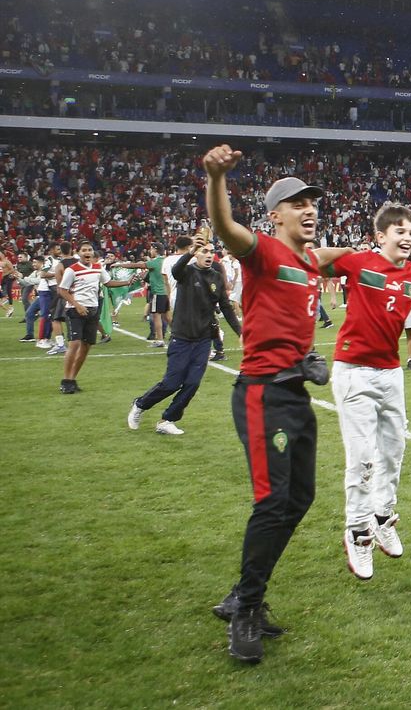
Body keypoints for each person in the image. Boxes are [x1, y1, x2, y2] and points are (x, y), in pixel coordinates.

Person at [202, 144, 350, 665]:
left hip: (294, 393)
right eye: (298, 203)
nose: (310, 209)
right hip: (263, 392)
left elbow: (332, 258)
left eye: (314, 203)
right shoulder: (262, 249)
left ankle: (246, 594)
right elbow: (224, 227)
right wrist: (215, 179)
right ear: (275, 216)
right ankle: (245, 607)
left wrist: (386, 256)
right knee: (272, 501)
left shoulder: (310, 259)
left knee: (300, 497)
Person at [329, 204, 411, 580]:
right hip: (354, 371)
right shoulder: (358, 263)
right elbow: (314, 267)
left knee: (394, 449)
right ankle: (357, 531)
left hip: (390, 372)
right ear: (381, 236)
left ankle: (383, 517)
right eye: (400, 231)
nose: (408, 237)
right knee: (363, 455)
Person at [127, 227, 241, 435]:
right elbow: (175, 270)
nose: (208, 255)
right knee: (172, 382)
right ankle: (141, 404)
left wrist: (241, 333)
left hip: (204, 338)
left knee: (192, 383)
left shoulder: (216, 277)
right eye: (203, 251)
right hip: (182, 337)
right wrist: (190, 251)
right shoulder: (186, 272)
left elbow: (225, 307)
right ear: (195, 253)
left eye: (210, 252)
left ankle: (167, 420)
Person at [55, 242, 115, 394]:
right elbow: (62, 290)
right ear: (78, 253)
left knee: (86, 346)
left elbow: (108, 282)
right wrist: (76, 305)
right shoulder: (72, 270)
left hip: (92, 310)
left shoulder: (97, 267)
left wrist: (128, 282)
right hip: (75, 311)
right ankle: (66, 380)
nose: (87, 252)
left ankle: (72, 380)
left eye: (90, 250)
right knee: (74, 344)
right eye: (84, 250)